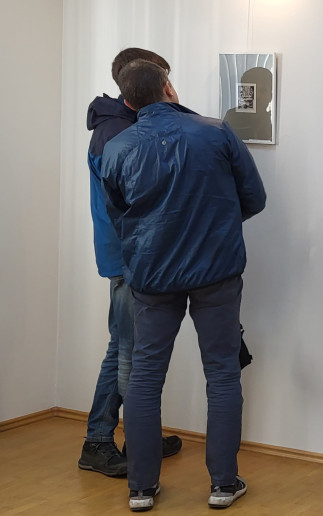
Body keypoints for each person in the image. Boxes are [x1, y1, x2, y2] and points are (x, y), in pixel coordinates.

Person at [101, 59, 267, 511]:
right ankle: (223, 484)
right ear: (169, 88)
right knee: (222, 373)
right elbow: (255, 198)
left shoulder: (117, 148)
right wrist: (215, 226)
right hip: (216, 271)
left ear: (128, 101)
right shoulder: (216, 132)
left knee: (145, 376)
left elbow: (120, 214)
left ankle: (141, 488)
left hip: (152, 275)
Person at [80, 48, 182, 478]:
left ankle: (110, 439)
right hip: (128, 257)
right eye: (164, 79)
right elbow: (135, 202)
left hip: (129, 254)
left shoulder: (124, 125)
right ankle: (110, 442)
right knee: (129, 353)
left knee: (123, 347)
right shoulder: (117, 133)